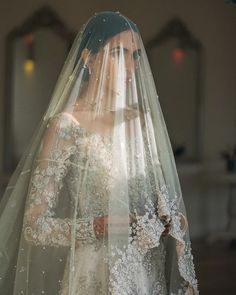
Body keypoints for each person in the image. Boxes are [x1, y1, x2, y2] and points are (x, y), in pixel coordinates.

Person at [0, 11, 198, 295]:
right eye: (119, 53)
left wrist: (168, 221)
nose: (130, 66)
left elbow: (162, 204)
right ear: (88, 59)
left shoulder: (140, 122)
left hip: (144, 274)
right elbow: (35, 226)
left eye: (136, 56)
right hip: (93, 276)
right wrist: (99, 226)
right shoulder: (66, 126)